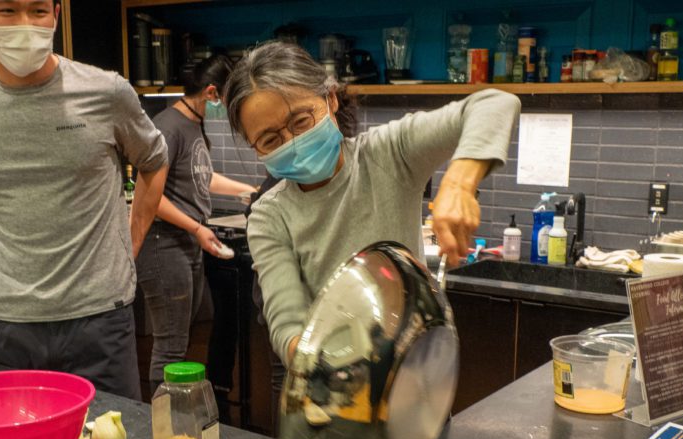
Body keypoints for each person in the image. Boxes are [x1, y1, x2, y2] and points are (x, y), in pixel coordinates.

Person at [223, 41, 521, 366]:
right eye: (271, 140)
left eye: (301, 121)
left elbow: (496, 103)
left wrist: (459, 183)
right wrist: (323, 363)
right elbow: (288, 326)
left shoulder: (388, 154)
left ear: (330, 98)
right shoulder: (270, 216)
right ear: (257, 149)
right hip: (331, 389)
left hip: (416, 379)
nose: (291, 144)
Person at [0, 0, 169, 400]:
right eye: (7, 11)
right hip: (12, 320)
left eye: (38, 10)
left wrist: (129, 243)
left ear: (57, 14)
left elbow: (154, 160)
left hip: (100, 316)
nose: (26, 24)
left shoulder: (106, 91)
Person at [136, 55, 257, 390]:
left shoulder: (193, 124)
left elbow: (201, 176)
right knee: (170, 346)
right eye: (228, 99)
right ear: (211, 92)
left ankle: (175, 418)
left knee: (181, 338)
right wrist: (197, 227)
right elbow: (152, 199)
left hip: (184, 243)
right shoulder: (167, 127)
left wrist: (249, 190)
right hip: (163, 245)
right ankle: (163, 426)